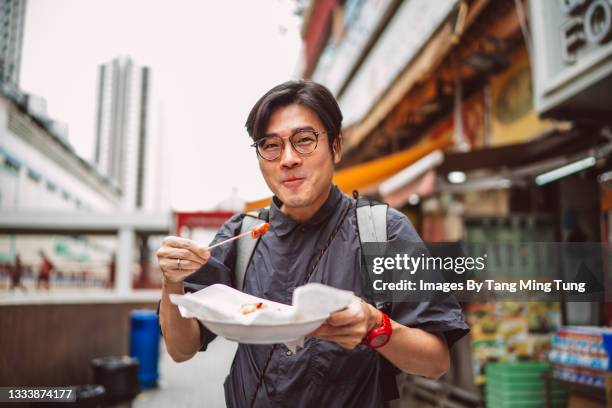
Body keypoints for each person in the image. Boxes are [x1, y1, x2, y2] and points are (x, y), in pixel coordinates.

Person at [156, 80, 470, 407]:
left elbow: (435, 362)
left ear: (335, 146)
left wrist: (375, 326)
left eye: (304, 140)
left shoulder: (383, 231)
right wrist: (172, 282)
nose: (288, 159)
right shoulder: (241, 235)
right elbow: (181, 350)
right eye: (271, 145)